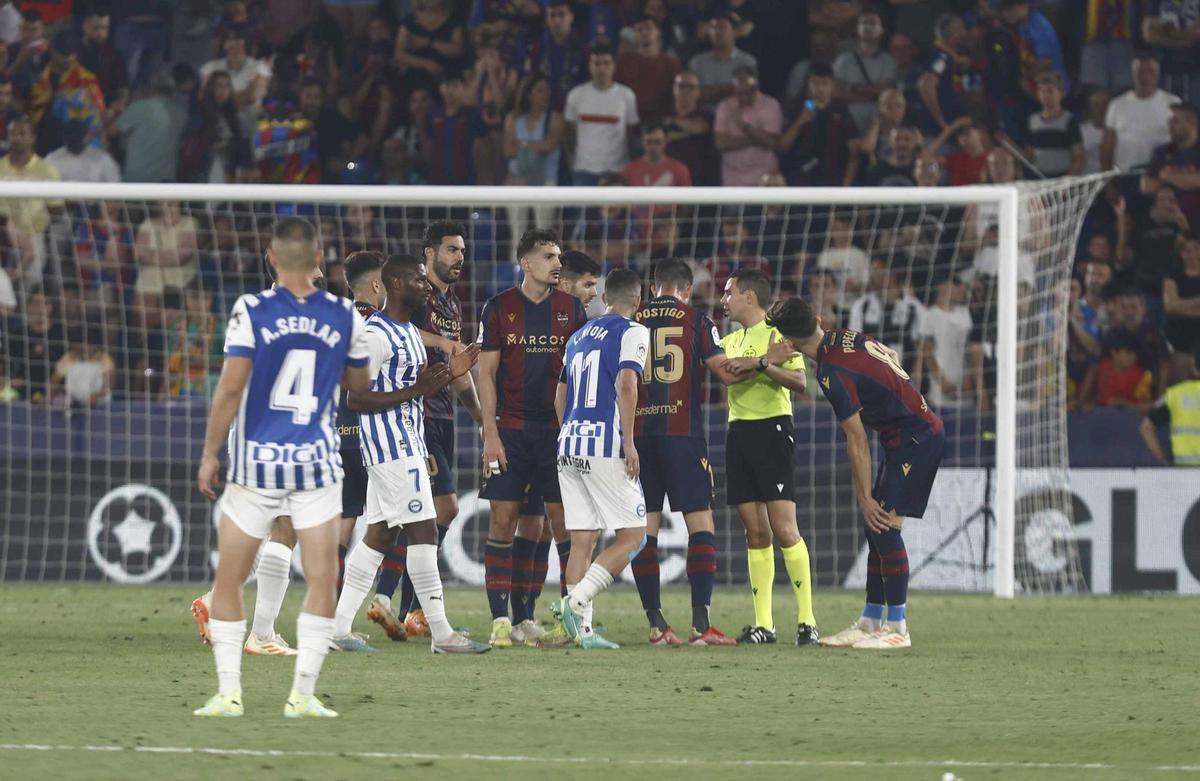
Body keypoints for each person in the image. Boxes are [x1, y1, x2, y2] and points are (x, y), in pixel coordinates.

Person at [193, 217, 371, 719]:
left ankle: (229, 693)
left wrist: (210, 453)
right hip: (315, 463)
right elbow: (359, 384)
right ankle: (302, 695)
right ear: (319, 258)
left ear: (270, 257)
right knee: (322, 578)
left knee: (229, 579)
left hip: (256, 463)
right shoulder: (344, 315)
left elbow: (231, 385)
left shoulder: (250, 310)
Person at [765, 297, 945, 650]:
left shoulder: (831, 372)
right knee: (876, 528)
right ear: (818, 320)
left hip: (917, 440)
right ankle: (870, 621)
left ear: (789, 343)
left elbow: (857, 439)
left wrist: (864, 497)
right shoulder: (845, 336)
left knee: (884, 525)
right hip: (907, 435)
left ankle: (897, 628)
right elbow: (891, 354)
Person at [335, 253, 487, 654]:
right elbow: (355, 397)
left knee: (379, 536)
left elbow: (412, 388)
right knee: (424, 530)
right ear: (395, 284)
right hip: (391, 448)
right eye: (419, 280)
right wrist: (417, 390)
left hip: (408, 443)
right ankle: (442, 634)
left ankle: (338, 628)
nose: (426, 287)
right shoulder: (375, 334)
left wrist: (450, 374)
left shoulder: (407, 332)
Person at [368, 223, 485, 641]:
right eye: (451, 250)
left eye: (463, 251)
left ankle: (401, 607)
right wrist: (442, 343)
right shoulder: (416, 296)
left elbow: (458, 370)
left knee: (412, 516)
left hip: (441, 415)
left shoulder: (451, 302)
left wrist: (482, 418)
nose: (460, 258)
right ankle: (401, 605)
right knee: (437, 511)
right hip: (413, 417)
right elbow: (398, 329)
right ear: (429, 253)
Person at [477, 228, 587, 647]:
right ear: (526, 263)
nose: (558, 263)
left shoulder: (571, 309)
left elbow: (578, 374)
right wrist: (490, 434)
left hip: (556, 435)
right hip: (510, 430)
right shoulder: (498, 307)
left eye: (558, 257)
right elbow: (486, 374)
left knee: (562, 525)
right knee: (503, 520)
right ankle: (501, 621)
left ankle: (565, 619)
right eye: (549, 256)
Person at [630, 258, 743, 646]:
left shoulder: (633, 319)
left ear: (653, 287)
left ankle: (656, 624)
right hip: (682, 435)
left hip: (638, 437)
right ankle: (700, 624)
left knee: (645, 530)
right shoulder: (697, 320)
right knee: (701, 525)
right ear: (687, 290)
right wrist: (766, 361)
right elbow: (725, 373)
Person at [718, 269, 817, 646]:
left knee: (784, 528)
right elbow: (728, 376)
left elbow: (800, 383)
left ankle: (807, 621)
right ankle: (765, 625)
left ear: (749, 296)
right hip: (738, 432)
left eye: (728, 293)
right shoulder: (729, 340)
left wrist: (760, 363)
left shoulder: (778, 334)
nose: (723, 300)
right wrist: (761, 362)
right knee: (755, 532)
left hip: (773, 429)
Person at [553, 267, 650, 649]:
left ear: (605, 298)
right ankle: (575, 602)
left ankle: (583, 631)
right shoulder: (633, 331)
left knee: (583, 539)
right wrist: (629, 442)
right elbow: (627, 384)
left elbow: (560, 396)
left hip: (568, 442)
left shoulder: (578, 336)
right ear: (637, 301)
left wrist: (569, 431)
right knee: (635, 536)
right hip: (604, 444)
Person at [331, 251, 386, 624]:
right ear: (377, 284)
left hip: (337, 431)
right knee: (400, 521)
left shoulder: (335, 319)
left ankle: (331, 613)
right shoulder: (378, 324)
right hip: (370, 434)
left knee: (344, 523)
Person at [564, 40, 639, 186]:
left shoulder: (626, 96)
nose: (602, 68)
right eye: (596, 63)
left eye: (606, 63)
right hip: (584, 169)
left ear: (613, 66)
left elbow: (630, 132)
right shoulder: (576, 95)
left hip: (617, 169)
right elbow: (569, 133)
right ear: (590, 66)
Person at [0, 115, 62, 288]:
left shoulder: (47, 170)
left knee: (30, 284)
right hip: (2, 233)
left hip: (33, 235)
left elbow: (56, 210)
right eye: (12, 133)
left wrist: (32, 222)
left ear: (33, 138)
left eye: (22, 133)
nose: (16, 138)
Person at [1101, 53, 1180, 173]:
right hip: (1125, 173)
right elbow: (1107, 148)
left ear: (1158, 74)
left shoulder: (1173, 103)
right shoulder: (1117, 105)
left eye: (1151, 71)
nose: (1146, 76)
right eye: (1141, 72)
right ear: (1133, 74)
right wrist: (1108, 180)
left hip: (1161, 175)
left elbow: (1181, 142)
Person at [713, 64, 781, 187]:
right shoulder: (724, 106)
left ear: (757, 86)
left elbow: (772, 142)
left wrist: (745, 127)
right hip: (732, 177)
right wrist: (756, 137)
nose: (744, 97)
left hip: (764, 176)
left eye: (748, 92)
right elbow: (721, 143)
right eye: (739, 92)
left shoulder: (771, 105)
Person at [832, 8, 898, 134]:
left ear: (881, 30)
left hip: (880, 124)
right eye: (864, 23)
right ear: (857, 29)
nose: (867, 26)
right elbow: (836, 91)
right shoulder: (843, 60)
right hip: (848, 124)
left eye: (872, 23)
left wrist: (852, 87)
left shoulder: (889, 61)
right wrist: (872, 95)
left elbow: (886, 90)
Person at [1140, 343, 1200, 465]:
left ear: (1193, 364)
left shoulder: (1175, 394)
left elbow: (1146, 428)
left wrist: (1164, 461)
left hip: (1184, 472)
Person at [614, 14, 681, 124]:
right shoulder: (623, 62)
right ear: (635, 34)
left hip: (660, 123)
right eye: (639, 30)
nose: (644, 33)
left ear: (658, 32)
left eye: (648, 28)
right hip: (628, 120)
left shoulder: (671, 65)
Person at [1143, 103, 1200, 230]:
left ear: (1191, 122)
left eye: (1175, 122)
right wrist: (1189, 181)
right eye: (1169, 122)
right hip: (1167, 216)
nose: (1170, 126)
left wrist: (1167, 176)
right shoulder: (1162, 151)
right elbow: (1147, 186)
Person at [689, 10, 757, 107]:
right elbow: (692, 94)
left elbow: (746, 94)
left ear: (734, 32)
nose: (717, 32)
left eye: (722, 27)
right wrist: (729, 88)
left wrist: (708, 91)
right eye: (713, 27)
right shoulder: (697, 62)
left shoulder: (747, 61)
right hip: (703, 113)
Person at [1028, 70, 1083, 177]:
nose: (1045, 96)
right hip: (1039, 180)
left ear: (1061, 93)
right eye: (1042, 91)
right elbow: (1030, 153)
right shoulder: (1032, 121)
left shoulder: (1068, 120)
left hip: (1062, 179)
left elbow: (1078, 156)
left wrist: (1068, 179)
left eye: (1050, 91)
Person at [45, 118, 120, 183]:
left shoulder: (103, 158)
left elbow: (115, 188)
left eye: (78, 138)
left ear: (87, 137)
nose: (75, 142)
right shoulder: (52, 159)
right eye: (72, 139)